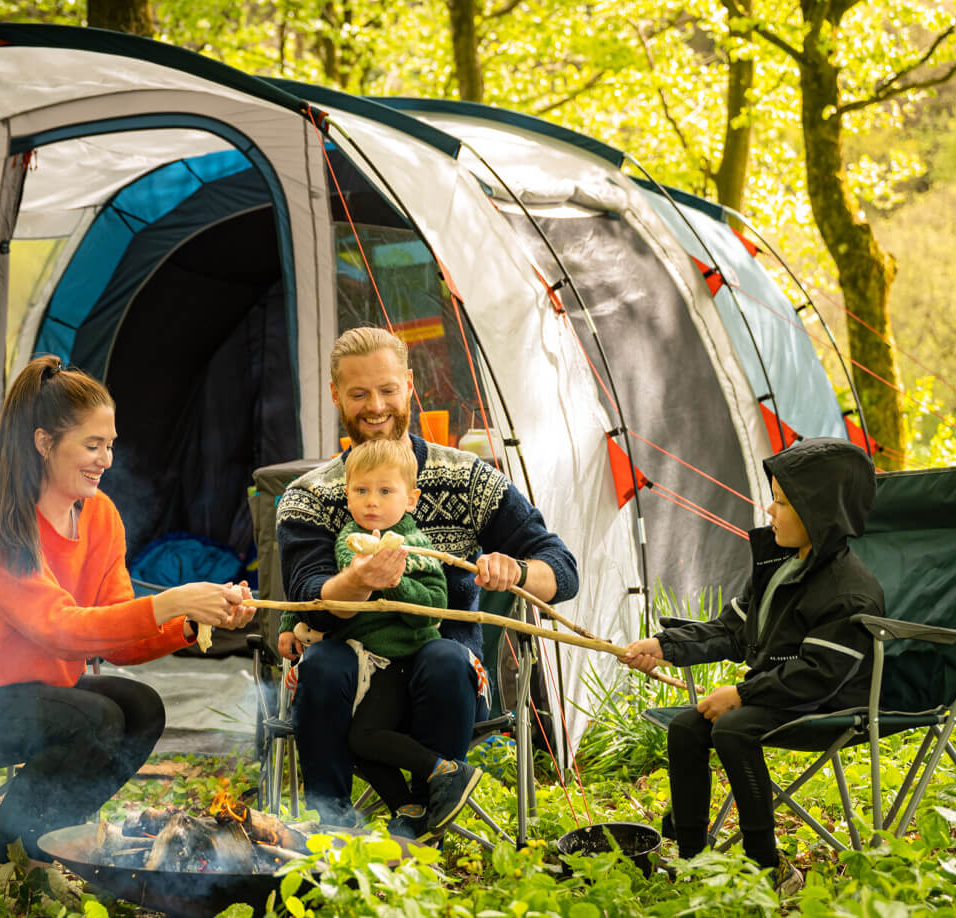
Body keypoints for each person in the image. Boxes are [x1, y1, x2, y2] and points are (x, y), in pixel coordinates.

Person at [0, 355, 255, 891]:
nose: (106, 459)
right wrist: (172, 600)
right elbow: (59, 628)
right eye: (92, 445)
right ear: (43, 443)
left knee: (140, 707)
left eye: (110, 444)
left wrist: (189, 620)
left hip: (32, 693)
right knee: (94, 718)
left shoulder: (101, 516)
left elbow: (117, 633)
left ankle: (36, 857)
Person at [276, 326, 579, 829]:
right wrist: (359, 581)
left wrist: (518, 569)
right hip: (353, 670)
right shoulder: (309, 496)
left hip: (444, 670)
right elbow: (308, 594)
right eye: (359, 393)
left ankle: (428, 811)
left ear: (410, 386)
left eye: (388, 389)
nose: (376, 406)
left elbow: (561, 568)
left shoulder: (467, 477)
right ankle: (328, 826)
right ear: (335, 396)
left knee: (442, 656)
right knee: (324, 664)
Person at [620, 437, 883, 895]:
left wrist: (741, 695)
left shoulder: (848, 590)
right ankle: (691, 855)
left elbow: (819, 673)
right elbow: (732, 631)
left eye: (781, 502)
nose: (769, 510)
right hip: (779, 692)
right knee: (687, 727)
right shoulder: (781, 566)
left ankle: (767, 864)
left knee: (732, 728)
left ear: (817, 513)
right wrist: (665, 645)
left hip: (830, 698)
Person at [293, 436, 481, 838]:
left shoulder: (420, 548)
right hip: (369, 669)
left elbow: (434, 605)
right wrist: (287, 626)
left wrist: (393, 582)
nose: (372, 502)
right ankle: (411, 804)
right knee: (354, 737)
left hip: (410, 663)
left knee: (363, 737)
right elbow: (318, 596)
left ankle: (439, 775)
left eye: (384, 491)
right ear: (347, 495)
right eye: (361, 491)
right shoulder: (350, 544)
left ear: (410, 499)